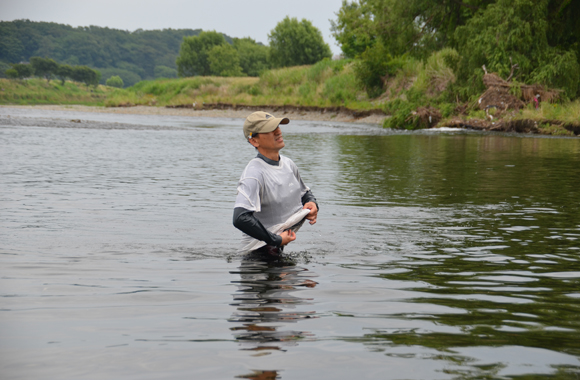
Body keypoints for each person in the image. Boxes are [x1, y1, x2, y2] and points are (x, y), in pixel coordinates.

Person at [233, 111, 318, 255]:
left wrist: (312, 203)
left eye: (277, 126)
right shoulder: (254, 173)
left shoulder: (288, 164)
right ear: (254, 141)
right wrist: (276, 240)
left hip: (275, 251)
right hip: (256, 259)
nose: (278, 131)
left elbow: (305, 193)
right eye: (270, 129)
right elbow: (240, 218)